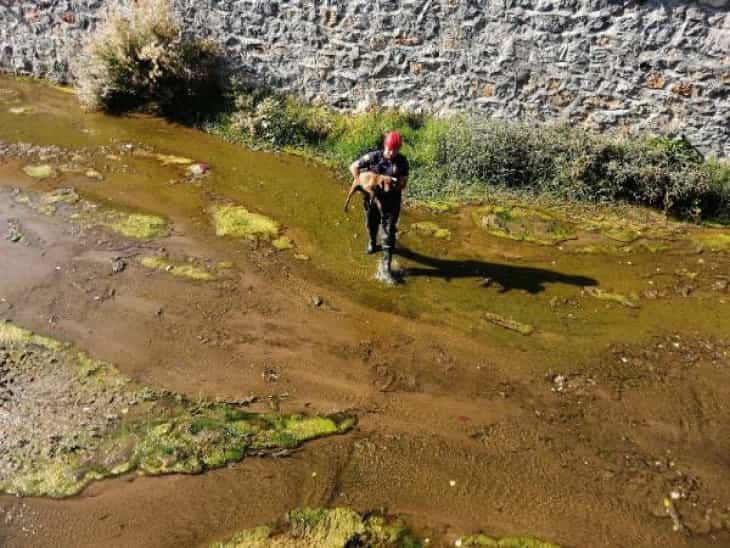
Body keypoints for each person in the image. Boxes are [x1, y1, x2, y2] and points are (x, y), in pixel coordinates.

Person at [349, 131, 410, 284]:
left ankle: (386, 268)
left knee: (388, 233)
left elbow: (404, 183)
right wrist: (360, 181)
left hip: (391, 202)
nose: (392, 152)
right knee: (371, 223)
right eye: (390, 149)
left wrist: (393, 184)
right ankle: (372, 241)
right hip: (371, 199)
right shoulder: (374, 157)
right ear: (385, 146)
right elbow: (353, 166)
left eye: (395, 150)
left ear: (399, 149)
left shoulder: (402, 162)